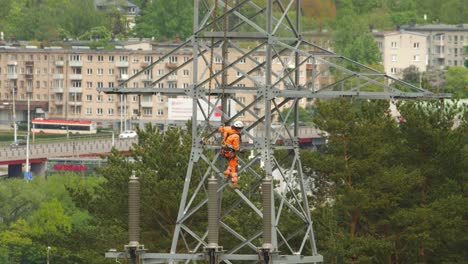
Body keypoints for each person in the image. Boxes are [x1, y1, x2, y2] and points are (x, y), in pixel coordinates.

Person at [218, 120, 244, 189]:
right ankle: (234, 182)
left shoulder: (228, 128)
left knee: (231, 162)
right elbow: (236, 147)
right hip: (230, 152)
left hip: (224, 150)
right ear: (238, 128)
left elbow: (220, 129)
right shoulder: (236, 136)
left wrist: (222, 125)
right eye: (240, 128)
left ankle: (227, 173)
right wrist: (240, 150)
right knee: (234, 166)